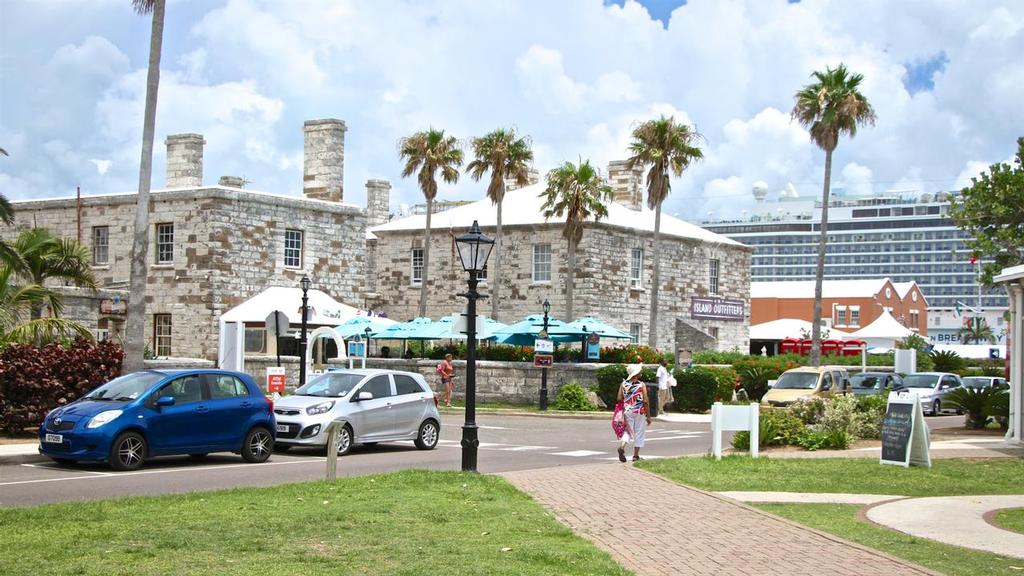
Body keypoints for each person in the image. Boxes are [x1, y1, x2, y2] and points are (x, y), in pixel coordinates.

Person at [617, 363, 651, 462]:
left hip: (627, 411)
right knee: (639, 432)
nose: (641, 373)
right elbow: (645, 401)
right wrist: (648, 416)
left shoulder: (623, 384)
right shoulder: (641, 385)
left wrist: (627, 398)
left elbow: (619, 398)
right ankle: (636, 456)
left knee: (628, 431)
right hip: (639, 411)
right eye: (639, 372)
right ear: (636, 374)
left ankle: (622, 447)